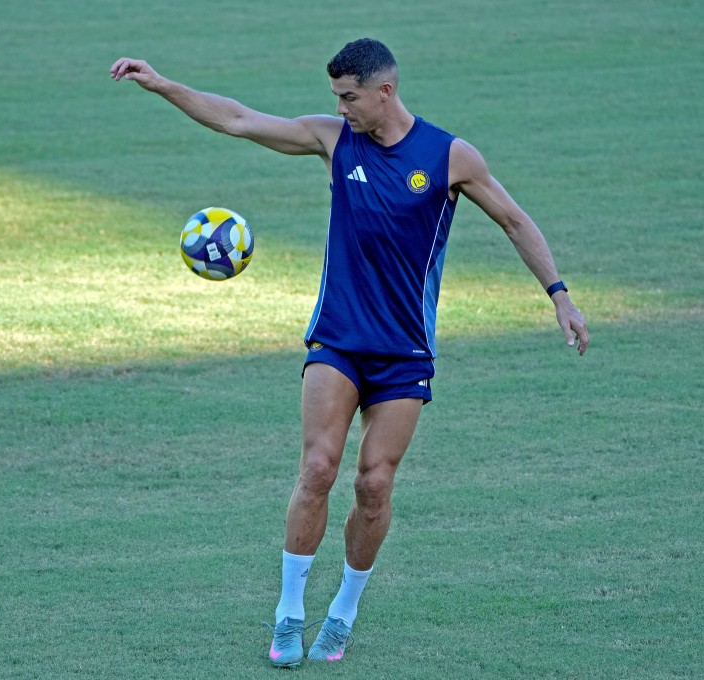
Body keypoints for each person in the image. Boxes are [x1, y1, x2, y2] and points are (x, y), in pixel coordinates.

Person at [111, 38, 589, 668]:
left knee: (374, 482)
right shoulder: (335, 140)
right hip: (337, 339)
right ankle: (287, 614)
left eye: (348, 96)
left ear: (384, 90)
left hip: (405, 353)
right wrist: (163, 84)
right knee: (317, 469)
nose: (339, 107)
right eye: (336, 96)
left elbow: (515, 220)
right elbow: (238, 119)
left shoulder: (449, 157)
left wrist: (559, 294)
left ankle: (342, 614)